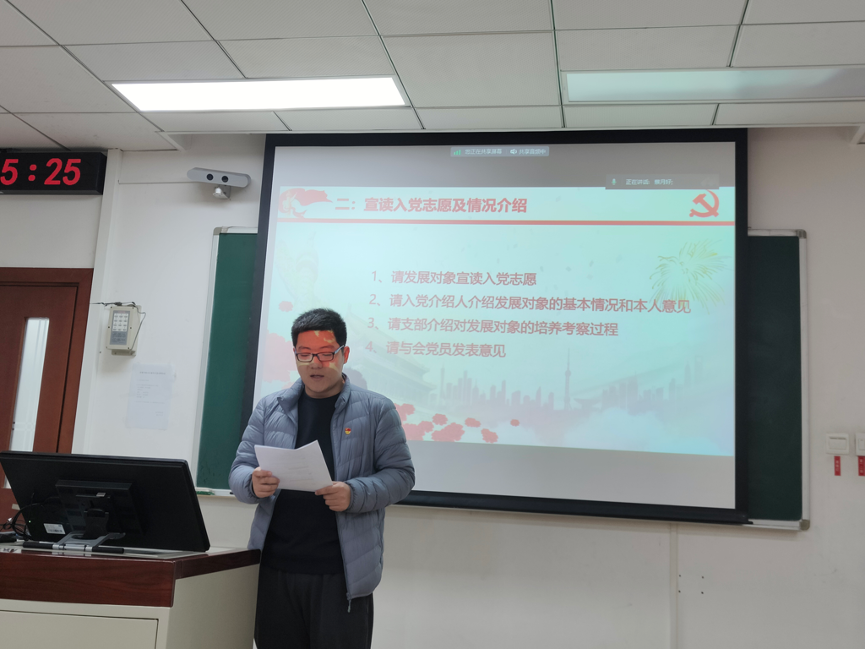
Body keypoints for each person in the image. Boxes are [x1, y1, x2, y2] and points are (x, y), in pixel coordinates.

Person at [230, 308, 414, 649]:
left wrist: (355, 493)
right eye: (305, 354)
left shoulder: (376, 410)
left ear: (344, 354)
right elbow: (239, 468)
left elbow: (401, 476)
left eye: (326, 353)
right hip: (274, 568)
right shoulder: (271, 408)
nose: (315, 363)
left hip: (342, 574)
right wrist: (251, 483)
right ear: (295, 355)